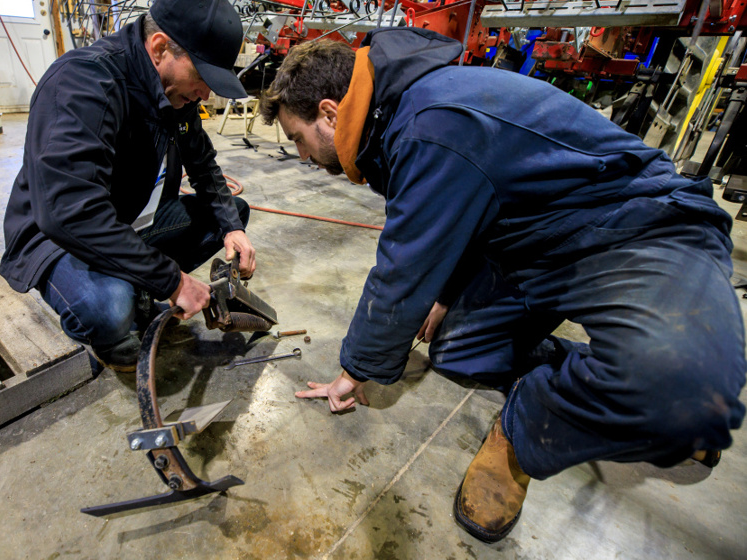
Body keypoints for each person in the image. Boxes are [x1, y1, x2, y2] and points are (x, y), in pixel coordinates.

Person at [258, 29, 746, 543]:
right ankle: (622, 382)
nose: (303, 156)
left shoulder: (430, 124)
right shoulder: (393, 119)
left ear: (331, 113)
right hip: (537, 249)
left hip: (641, 230)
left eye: (297, 138)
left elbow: (402, 267)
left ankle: (531, 427)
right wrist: (446, 295)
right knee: (460, 353)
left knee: (675, 379)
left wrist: (354, 371)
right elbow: (462, 210)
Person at [0, 0, 257, 372]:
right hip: (55, 238)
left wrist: (232, 228)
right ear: (159, 48)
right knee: (109, 308)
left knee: (228, 213)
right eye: (202, 76)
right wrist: (171, 281)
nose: (206, 94)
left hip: (117, 223)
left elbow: (202, 165)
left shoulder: (175, 91)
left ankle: (133, 278)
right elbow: (71, 214)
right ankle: (114, 325)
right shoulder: (82, 84)